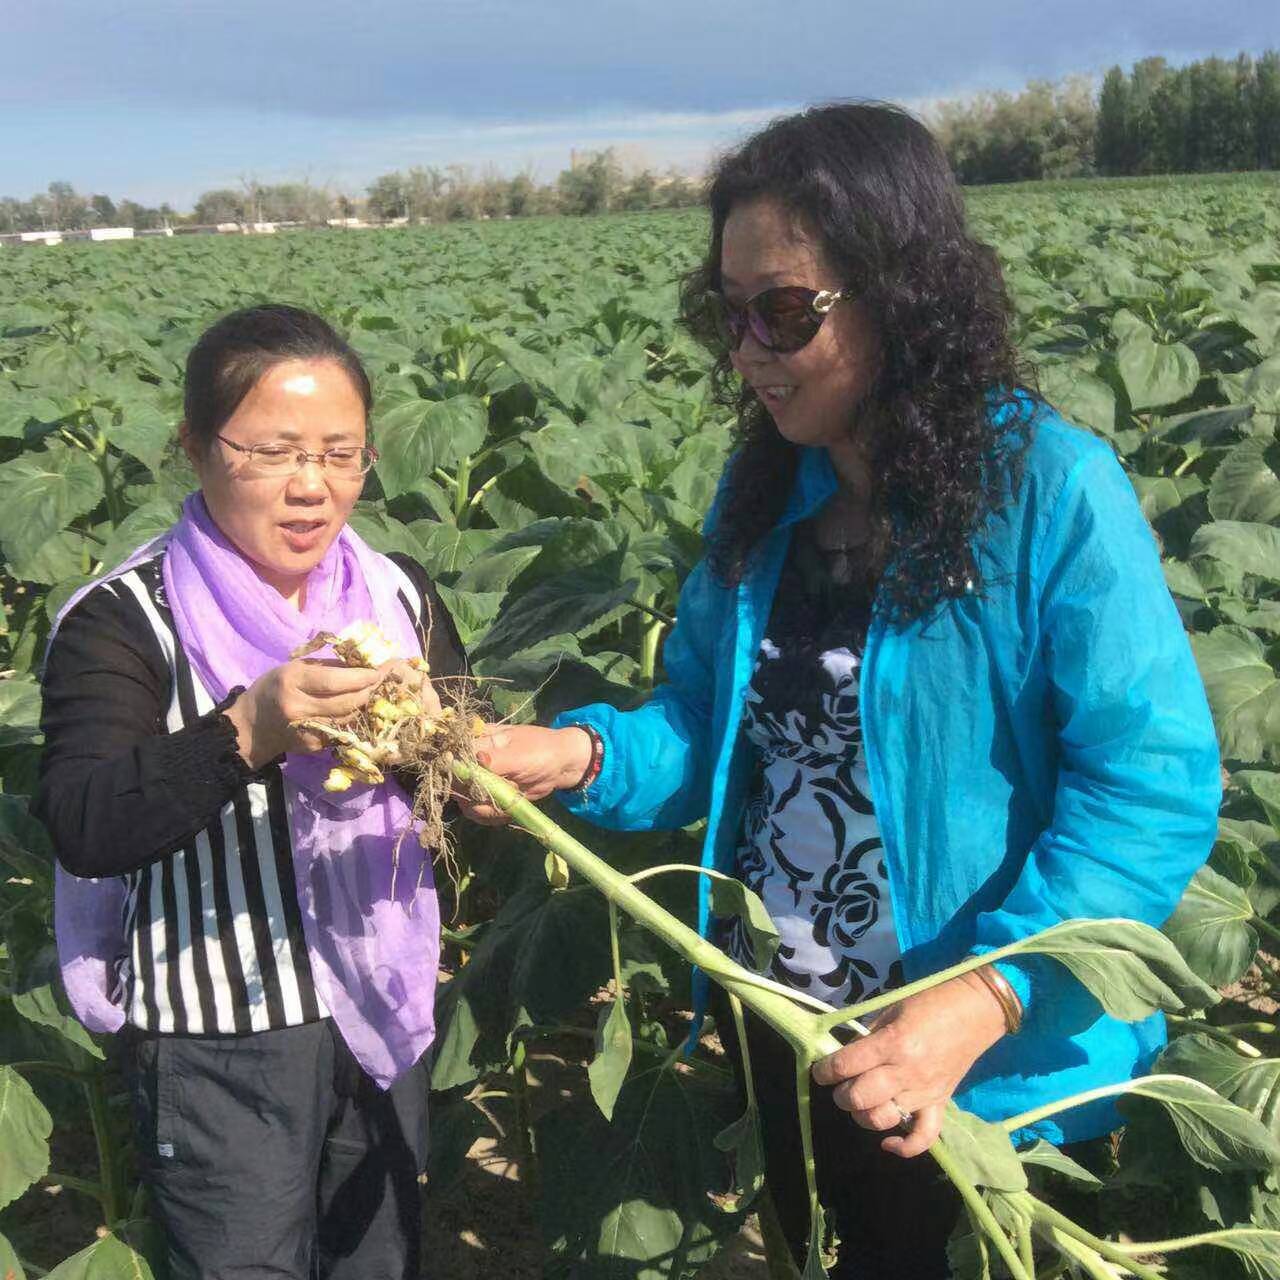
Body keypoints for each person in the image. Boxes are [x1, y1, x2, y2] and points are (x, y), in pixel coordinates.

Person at [465, 104, 1221, 1278]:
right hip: (784, 1013)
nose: (746, 349)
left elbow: (1146, 789)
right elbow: (707, 726)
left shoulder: (1050, 490)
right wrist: (571, 756)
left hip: (977, 1063)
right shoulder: (765, 491)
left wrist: (985, 996)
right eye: (729, 312)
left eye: (782, 310)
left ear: (900, 297)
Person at [35, 304, 464, 1280]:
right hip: (219, 1040)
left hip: (381, 1000)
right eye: (271, 451)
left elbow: (439, 772)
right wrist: (248, 731)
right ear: (194, 445)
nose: (312, 486)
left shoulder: (394, 593)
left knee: (376, 1261)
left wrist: (459, 775)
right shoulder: (124, 618)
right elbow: (85, 819)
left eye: (342, 453)